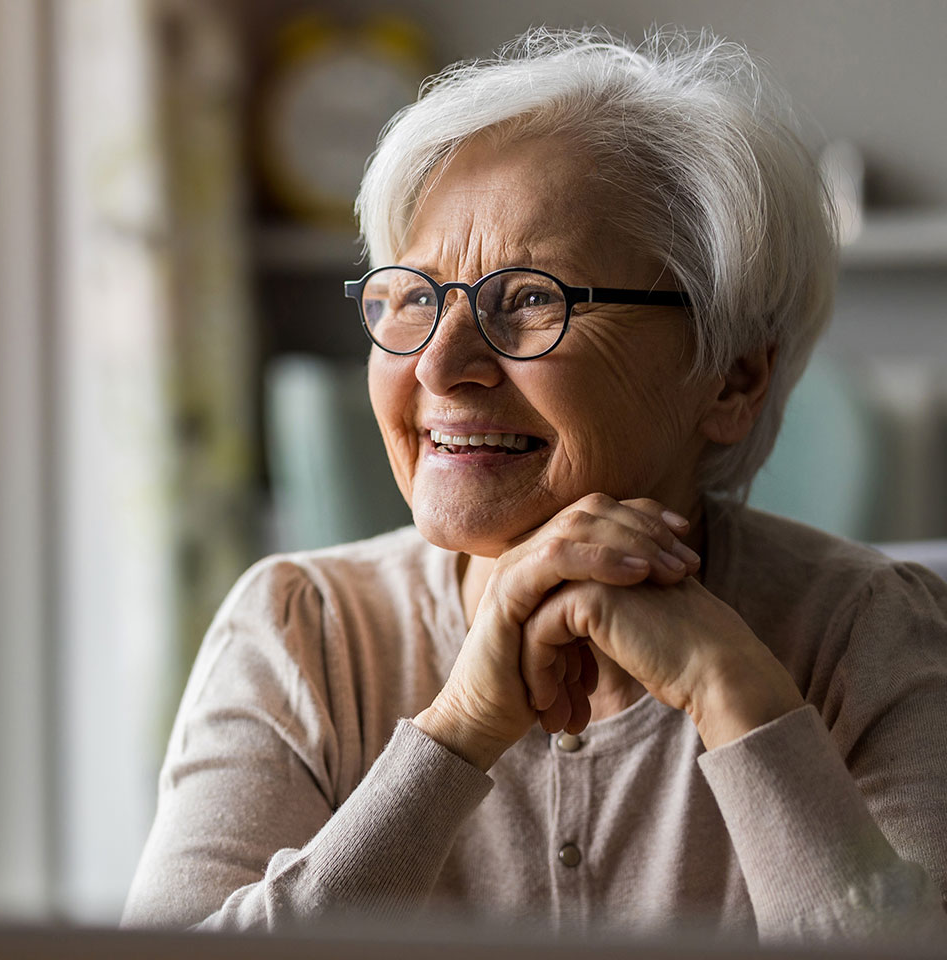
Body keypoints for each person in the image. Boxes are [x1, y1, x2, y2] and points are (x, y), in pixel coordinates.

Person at [120, 27, 947, 945]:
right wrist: (459, 730)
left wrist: (737, 697)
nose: (439, 363)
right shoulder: (299, 631)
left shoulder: (873, 633)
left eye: (529, 299)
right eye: (412, 297)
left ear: (733, 379)